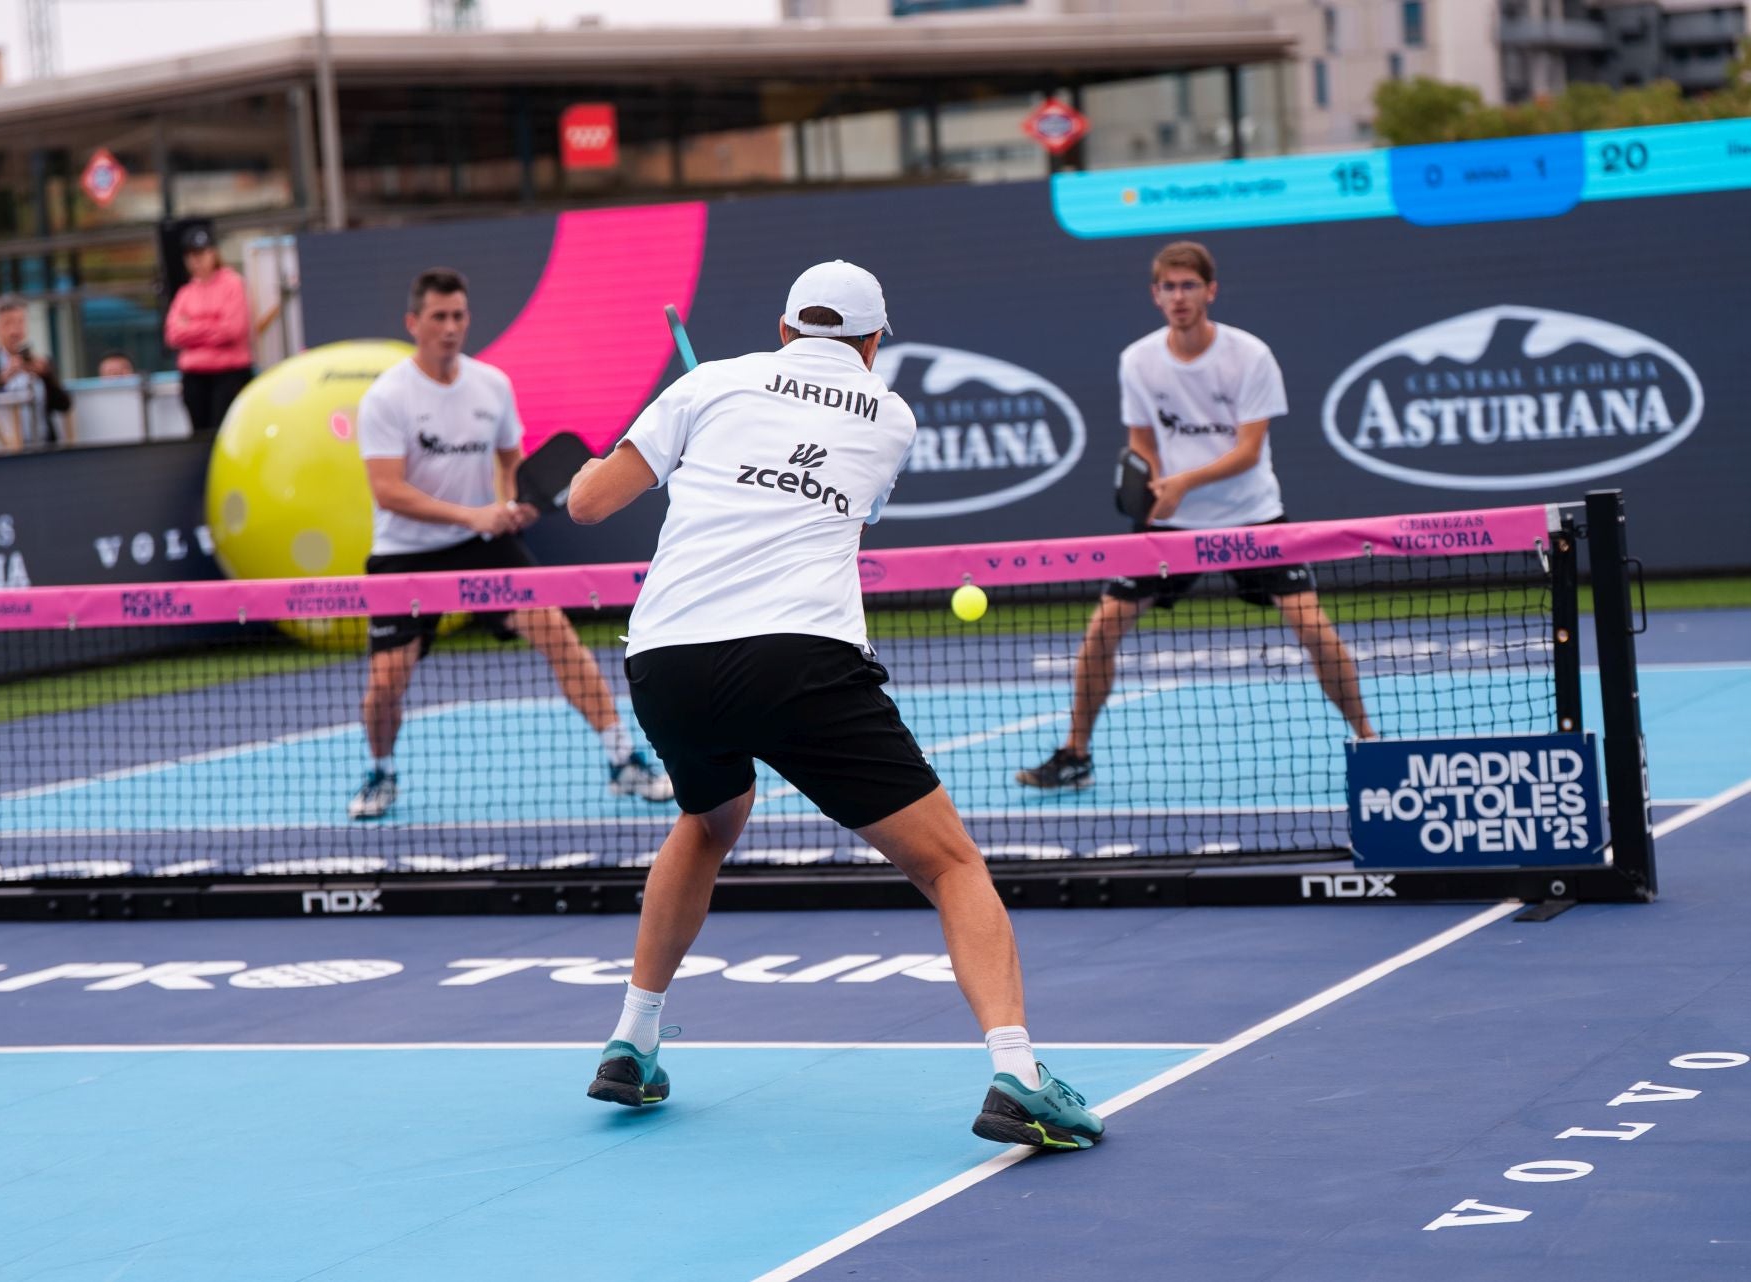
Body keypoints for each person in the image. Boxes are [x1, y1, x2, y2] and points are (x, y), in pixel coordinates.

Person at [565, 260, 1105, 1152]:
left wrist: (622, 450)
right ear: (872, 345)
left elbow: (586, 503)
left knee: (709, 818)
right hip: (798, 660)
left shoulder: (705, 383)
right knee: (950, 865)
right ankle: (1018, 1073)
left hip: (666, 661)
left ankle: (634, 1039)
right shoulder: (891, 418)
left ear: (783, 330)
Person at [1017, 240, 1374, 791]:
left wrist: (1183, 482)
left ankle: (1370, 743)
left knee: (1311, 626)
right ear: (1155, 295)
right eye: (1168, 287)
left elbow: (1250, 450)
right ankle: (1075, 754)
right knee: (1102, 631)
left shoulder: (1249, 355)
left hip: (1253, 518)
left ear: (1210, 291)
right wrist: (1156, 482)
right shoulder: (1137, 360)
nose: (1179, 296)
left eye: (1189, 285)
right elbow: (1143, 442)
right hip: (1170, 527)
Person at [350, 266, 672, 821]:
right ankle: (381, 772)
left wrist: (509, 504)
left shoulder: (492, 386)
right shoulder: (386, 397)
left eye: (458, 316)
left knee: (560, 638)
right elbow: (387, 492)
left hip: (485, 549)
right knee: (386, 683)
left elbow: (509, 461)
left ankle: (624, 760)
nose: (450, 327)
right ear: (413, 323)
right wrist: (475, 513)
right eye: (438, 317)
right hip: (406, 554)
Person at [163, 226, 253, 434]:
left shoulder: (233, 284)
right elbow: (173, 335)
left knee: (223, 431)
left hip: (228, 374)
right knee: (199, 434)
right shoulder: (186, 292)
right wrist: (213, 325)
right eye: (191, 255)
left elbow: (232, 330)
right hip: (195, 377)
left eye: (201, 253)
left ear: (213, 253)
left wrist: (192, 328)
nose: (196, 260)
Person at [0, 295, 72, 444]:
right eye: (7, 324)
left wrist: (46, 377)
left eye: (20, 323)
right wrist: (3, 379)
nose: (15, 331)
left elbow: (64, 405)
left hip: (43, 445)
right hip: (1, 450)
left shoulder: (40, 363)